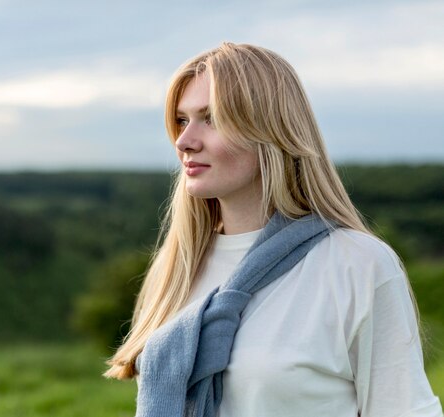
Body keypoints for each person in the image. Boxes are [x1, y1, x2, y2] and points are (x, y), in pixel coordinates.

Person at [104, 42, 443, 417]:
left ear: (270, 129)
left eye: (211, 118)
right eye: (182, 120)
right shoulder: (176, 267)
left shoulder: (357, 265)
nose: (184, 141)